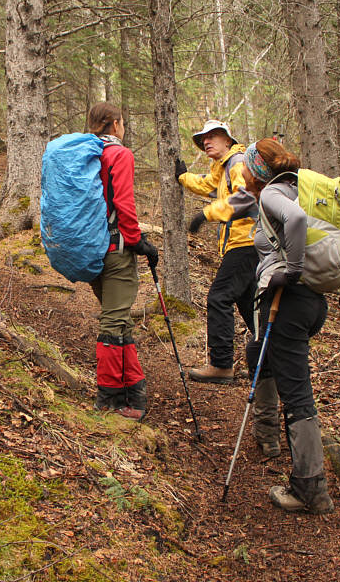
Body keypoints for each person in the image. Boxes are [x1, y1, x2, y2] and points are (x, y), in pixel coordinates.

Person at [241, 138, 335, 514]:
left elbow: (295, 222)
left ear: (256, 170)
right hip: (313, 302)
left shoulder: (272, 194)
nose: (241, 171)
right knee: (257, 349)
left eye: (246, 165)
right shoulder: (303, 191)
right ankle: (267, 434)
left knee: (297, 393)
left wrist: (291, 272)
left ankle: (310, 489)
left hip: (288, 301)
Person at [175, 121, 260, 389]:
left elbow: (247, 197)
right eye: (204, 139)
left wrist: (206, 214)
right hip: (244, 244)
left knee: (219, 297)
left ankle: (222, 365)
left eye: (213, 136)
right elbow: (207, 184)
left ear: (227, 140)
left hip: (246, 242)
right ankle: (269, 361)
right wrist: (183, 177)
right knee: (249, 305)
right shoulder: (222, 168)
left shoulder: (237, 162)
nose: (207, 142)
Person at [88, 102, 158, 421]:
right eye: (123, 123)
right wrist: (137, 241)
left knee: (120, 321)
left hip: (89, 249)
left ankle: (135, 393)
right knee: (113, 323)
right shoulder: (119, 154)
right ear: (115, 124)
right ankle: (109, 398)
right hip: (115, 249)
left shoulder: (87, 154)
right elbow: (124, 203)